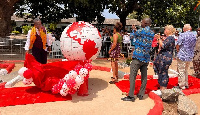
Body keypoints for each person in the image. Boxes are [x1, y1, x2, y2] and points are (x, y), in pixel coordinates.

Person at [121, 18, 154, 101]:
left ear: (145, 23)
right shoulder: (151, 33)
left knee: (132, 76)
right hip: (146, 58)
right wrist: (136, 31)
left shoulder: (141, 31)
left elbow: (132, 36)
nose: (140, 23)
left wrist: (133, 30)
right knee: (144, 77)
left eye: (142, 22)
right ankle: (141, 94)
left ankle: (131, 96)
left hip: (138, 57)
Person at [153, 25, 176, 90]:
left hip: (165, 57)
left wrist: (158, 39)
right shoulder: (169, 38)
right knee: (161, 71)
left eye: (165, 29)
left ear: (169, 31)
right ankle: (161, 87)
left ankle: (163, 88)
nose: (164, 31)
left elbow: (163, 45)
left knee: (163, 72)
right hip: (163, 56)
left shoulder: (170, 38)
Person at [176, 24, 196, 89]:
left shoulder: (182, 35)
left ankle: (181, 85)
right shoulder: (194, 35)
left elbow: (178, 44)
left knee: (181, 70)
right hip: (190, 55)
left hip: (182, 55)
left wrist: (178, 50)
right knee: (186, 70)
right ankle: (186, 84)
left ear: (184, 29)